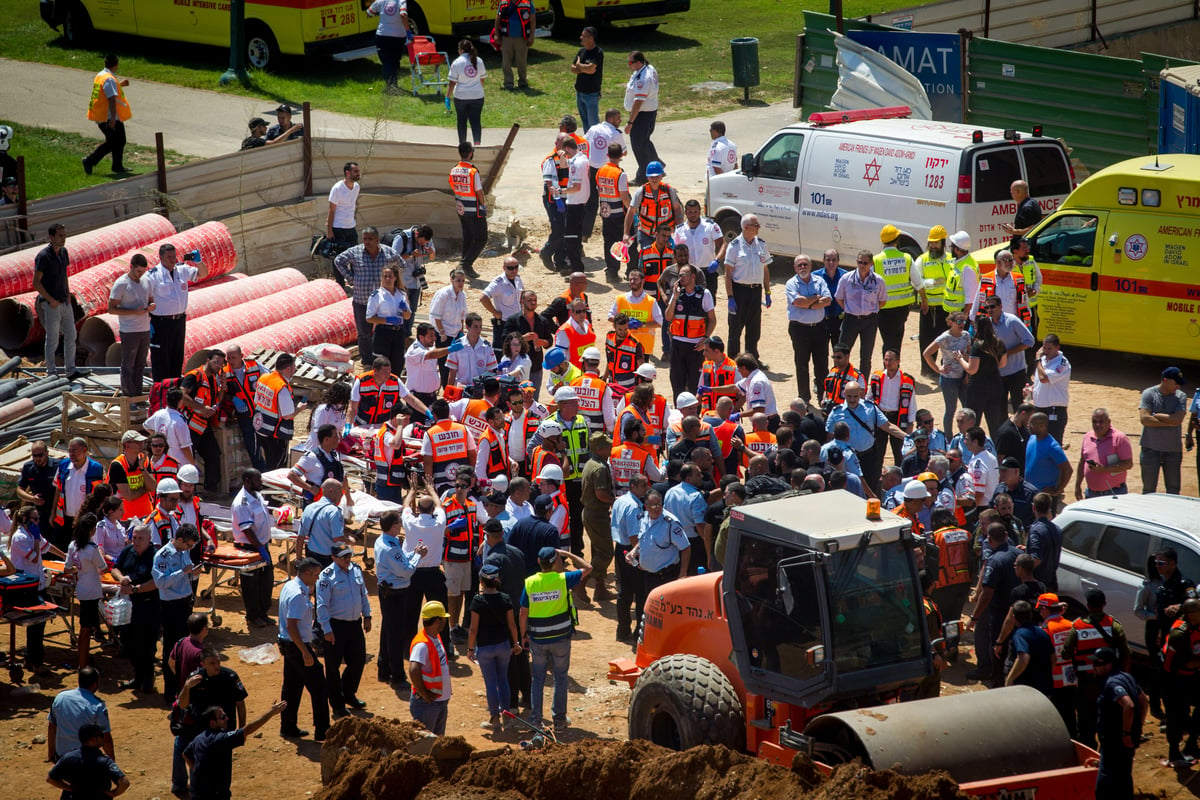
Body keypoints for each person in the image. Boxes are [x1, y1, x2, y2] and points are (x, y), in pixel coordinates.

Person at [520, 546, 592, 730]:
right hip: (561, 637)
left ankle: (536, 719)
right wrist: (567, 553)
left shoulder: (530, 582)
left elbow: (523, 612)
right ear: (555, 562)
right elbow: (588, 567)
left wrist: (523, 635)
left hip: (538, 637)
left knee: (538, 679)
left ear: (538, 562)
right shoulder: (563, 579)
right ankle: (559, 719)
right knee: (560, 677)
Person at [1061, 588, 1131, 750]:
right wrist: (1125, 678)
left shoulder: (1076, 627)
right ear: (1104, 604)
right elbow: (1126, 654)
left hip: (1086, 683)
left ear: (1088, 605)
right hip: (1109, 681)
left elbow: (1066, 654)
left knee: (1086, 721)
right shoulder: (1113, 625)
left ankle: (1089, 752)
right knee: (1108, 719)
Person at [183, 699, 285, 800]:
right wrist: (270, 712)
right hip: (215, 794)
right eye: (222, 717)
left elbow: (185, 754)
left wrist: (197, 772)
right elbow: (247, 730)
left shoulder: (199, 738)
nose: (227, 718)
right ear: (212, 723)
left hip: (198, 792)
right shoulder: (219, 739)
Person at [334, 225, 404, 366]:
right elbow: (338, 261)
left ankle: (382, 358)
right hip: (362, 300)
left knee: (383, 330)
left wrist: (395, 282)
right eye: (365, 238)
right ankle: (367, 361)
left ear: (377, 239)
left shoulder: (388, 253)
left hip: (383, 301)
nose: (367, 241)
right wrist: (351, 278)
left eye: (371, 238)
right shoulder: (355, 252)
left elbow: (402, 264)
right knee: (364, 333)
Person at [316, 544, 372, 718]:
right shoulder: (326, 577)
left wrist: (367, 615)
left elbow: (363, 595)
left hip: (354, 624)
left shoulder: (355, 570)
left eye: (348, 555)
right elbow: (322, 605)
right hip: (335, 626)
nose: (347, 559)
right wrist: (326, 629)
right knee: (332, 667)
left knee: (358, 660)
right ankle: (337, 703)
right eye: (343, 557)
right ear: (333, 558)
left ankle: (348, 693)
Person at [278, 557, 330, 741]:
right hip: (296, 646)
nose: (317, 578)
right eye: (315, 575)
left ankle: (288, 726)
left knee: (292, 688)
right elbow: (292, 626)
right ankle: (323, 731)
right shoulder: (299, 594)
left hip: (289, 644)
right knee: (319, 686)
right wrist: (305, 651)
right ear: (306, 573)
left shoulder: (290, 586)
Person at [374, 511, 426, 691]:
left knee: (388, 631)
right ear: (394, 526)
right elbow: (406, 571)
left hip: (389, 592)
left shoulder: (384, 541)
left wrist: (413, 554)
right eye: (399, 522)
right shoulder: (391, 547)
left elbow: (402, 562)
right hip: (395, 594)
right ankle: (396, 675)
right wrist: (418, 556)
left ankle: (384, 669)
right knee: (395, 636)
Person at [467, 563, 521, 730]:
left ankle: (494, 719)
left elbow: (473, 629)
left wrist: (470, 649)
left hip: (485, 648)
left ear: (482, 581)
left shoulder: (478, 601)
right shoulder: (505, 599)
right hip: (503, 646)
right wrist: (516, 643)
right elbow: (512, 625)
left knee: (491, 683)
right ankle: (507, 717)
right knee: (503, 680)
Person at [146, 242, 210, 381]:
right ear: (161, 257)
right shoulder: (153, 275)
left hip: (179, 321)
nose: (172, 259)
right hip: (161, 323)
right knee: (162, 360)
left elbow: (203, 274)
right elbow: (144, 294)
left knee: (177, 357)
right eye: (169, 256)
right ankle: (162, 392)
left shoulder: (182, 270)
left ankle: (174, 392)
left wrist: (198, 262)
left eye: (174, 256)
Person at [1088, 646, 1147, 798]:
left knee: (1104, 788)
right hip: (1123, 741)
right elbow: (1143, 700)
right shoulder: (1127, 677)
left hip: (1115, 741)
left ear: (1109, 664)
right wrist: (1137, 727)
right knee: (1124, 778)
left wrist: (1126, 733)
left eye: (1097, 664)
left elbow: (1129, 705)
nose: (1094, 667)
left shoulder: (1111, 683)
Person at [111, 524, 159, 692]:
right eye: (134, 538)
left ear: (149, 539)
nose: (136, 542)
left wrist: (136, 588)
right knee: (130, 643)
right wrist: (121, 578)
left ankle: (147, 678)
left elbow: (157, 582)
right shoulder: (128, 551)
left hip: (149, 606)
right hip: (129, 605)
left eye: (140, 539)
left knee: (147, 645)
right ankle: (138, 677)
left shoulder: (155, 556)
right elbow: (115, 568)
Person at [33, 223, 81, 379]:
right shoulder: (44, 256)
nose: (63, 239)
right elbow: (36, 282)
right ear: (51, 237)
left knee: (71, 334)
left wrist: (67, 294)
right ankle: (51, 371)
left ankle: (70, 370)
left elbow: (64, 274)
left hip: (64, 301)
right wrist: (50, 300)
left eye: (64, 235)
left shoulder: (63, 253)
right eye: (60, 236)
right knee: (53, 338)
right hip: (51, 303)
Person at [783, 254, 831, 403]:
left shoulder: (820, 281)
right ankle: (804, 397)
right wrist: (816, 299)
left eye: (805, 264)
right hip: (799, 329)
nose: (803, 267)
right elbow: (797, 301)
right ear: (795, 268)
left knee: (822, 364)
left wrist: (807, 303)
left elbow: (828, 300)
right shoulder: (791, 283)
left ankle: (823, 397)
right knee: (802, 364)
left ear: (810, 266)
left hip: (820, 328)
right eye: (800, 265)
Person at [723, 214, 772, 362]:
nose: (759, 228)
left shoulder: (761, 245)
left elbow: (765, 270)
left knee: (754, 329)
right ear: (746, 227)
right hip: (739, 291)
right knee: (735, 329)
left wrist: (768, 292)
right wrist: (731, 297)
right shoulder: (734, 246)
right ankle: (733, 361)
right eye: (756, 225)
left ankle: (752, 360)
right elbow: (728, 274)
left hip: (755, 291)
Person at [230, 469, 274, 628]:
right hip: (249, 548)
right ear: (247, 480)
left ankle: (263, 613)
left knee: (266, 582)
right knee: (250, 585)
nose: (260, 482)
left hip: (262, 545)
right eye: (257, 480)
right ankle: (253, 616)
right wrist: (260, 549)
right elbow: (247, 530)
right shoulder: (241, 502)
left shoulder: (257, 495)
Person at [664, 264, 716, 396]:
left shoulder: (704, 294)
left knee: (695, 383)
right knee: (677, 382)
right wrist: (675, 297)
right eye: (679, 275)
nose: (681, 278)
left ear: (693, 277)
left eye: (684, 275)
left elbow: (712, 320)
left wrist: (705, 339)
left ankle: (695, 413)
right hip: (677, 344)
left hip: (696, 345)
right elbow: (668, 316)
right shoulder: (677, 293)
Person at [835, 250, 889, 377]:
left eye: (865, 263)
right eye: (860, 262)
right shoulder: (846, 279)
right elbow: (839, 298)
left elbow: (882, 301)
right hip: (851, 319)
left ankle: (862, 385)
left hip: (870, 321)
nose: (862, 265)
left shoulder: (878, 281)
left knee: (866, 356)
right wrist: (850, 309)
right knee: (842, 352)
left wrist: (869, 310)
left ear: (871, 264)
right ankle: (839, 379)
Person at [107, 252, 154, 397]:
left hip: (144, 328)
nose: (140, 274)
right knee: (128, 365)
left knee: (140, 365)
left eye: (143, 272)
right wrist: (134, 311)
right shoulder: (121, 283)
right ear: (131, 267)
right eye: (138, 271)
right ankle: (128, 396)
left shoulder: (146, 281)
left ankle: (137, 395)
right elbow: (111, 308)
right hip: (129, 330)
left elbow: (150, 299)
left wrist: (151, 306)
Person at [66, 514, 108, 669]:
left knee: (86, 628)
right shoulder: (92, 549)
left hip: (82, 589)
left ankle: (83, 661)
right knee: (86, 629)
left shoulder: (73, 545)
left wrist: (80, 568)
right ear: (91, 530)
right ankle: (83, 663)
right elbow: (103, 567)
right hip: (91, 591)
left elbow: (67, 568)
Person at [1161, 598, 1200, 767]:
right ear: (1191, 615)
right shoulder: (1180, 634)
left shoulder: (1194, 625)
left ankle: (1192, 742)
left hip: (1192, 676)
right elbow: (1189, 663)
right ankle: (1174, 754)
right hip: (1175, 679)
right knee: (1175, 716)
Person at [180, 349, 225, 494]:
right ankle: (189, 491)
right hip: (189, 425)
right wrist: (201, 408)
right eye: (216, 362)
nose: (218, 366)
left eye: (221, 364)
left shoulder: (213, 379)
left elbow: (216, 400)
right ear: (208, 360)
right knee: (189, 459)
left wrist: (223, 388)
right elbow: (181, 395)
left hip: (204, 425)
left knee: (213, 454)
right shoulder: (195, 376)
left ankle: (211, 489)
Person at [47, 667, 114, 763]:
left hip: (62, 757)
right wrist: (112, 763)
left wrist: (51, 753)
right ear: (95, 683)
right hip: (84, 761)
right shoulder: (97, 705)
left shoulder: (61, 697)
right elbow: (106, 738)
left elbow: (52, 726)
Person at [46, 722, 129, 799]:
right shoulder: (104, 761)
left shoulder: (68, 757)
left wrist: (71, 789)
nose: (104, 737)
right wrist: (113, 794)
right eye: (101, 735)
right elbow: (124, 783)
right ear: (93, 740)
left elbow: (51, 779)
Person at [958, 313, 1009, 437]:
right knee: (994, 423)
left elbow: (972, 369)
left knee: (973, 423)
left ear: (976, 328)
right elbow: (1002, 364)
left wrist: (960, 359)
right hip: (995, 386)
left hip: (977, 388)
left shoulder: (977, 346)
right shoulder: (999, 343)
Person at [1139, 366, 1188, 494]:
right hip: (1150, 449)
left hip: (1172, 451)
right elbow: (1144, 419)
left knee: (1173, 490)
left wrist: (1157, 415)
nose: (1178, 387)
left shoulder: (1181, 396)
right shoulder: (1149, 393)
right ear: (1165, 380)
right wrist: (1170, 422)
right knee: (1148, 490)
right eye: (1176, 383)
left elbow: (1177, 420)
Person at [252, 353, 305, 470]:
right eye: (294, 367)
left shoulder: (264, 378)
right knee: (277, 467)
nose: (294, 370)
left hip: (260, 428)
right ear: (288, 368)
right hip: (275, 434)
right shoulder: (281, 387)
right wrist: (300, 408)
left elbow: (257, 400)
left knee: (265, 461)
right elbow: (287, 415)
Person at [51, 438, 105, 550]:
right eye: (69, 451)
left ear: (84, 450)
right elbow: (58, 490)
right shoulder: (63, 466)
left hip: (84, 519)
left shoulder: (96, 469)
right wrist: (53, 514)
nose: (71, 454)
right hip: (64, 519)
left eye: (74, 450)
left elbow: (101, 496)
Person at [82, 54, 131, 175]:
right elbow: (111, 98)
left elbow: (107, 90)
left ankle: (117, 166)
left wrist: (120, 84)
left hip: (102, 116)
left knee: (118, 141)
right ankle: (89, 161)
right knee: (114, 142)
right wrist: (113, 118)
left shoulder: (101, 75)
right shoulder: (109, 79)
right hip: (108, 117)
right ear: (116, 65)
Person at [409, 601, 453, 734]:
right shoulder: (422, 644)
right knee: (425, 745)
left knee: (438, 744)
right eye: (444, 618)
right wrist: (424, 693)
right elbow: (413, 669)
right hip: (428, 704)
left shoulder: (434, 637)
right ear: (438, 621)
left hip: (438, 701)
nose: (445, 621)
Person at [912, 226, 951, 377]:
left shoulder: (949, 258)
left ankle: (944, 368)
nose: (933, 246)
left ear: (942, 242)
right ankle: (928, 370)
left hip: (946, 306)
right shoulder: (922, 259)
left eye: (936, 243)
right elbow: (916, 281)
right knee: (927, 338)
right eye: (931, 243)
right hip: (927, 306)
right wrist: (933, 282)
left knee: (946, 338)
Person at [874, 226, 916, 359]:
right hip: (903, 307)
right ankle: (893, 367)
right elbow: (918, 282)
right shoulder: (907, 258)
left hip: (883, 307)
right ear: (897, 240)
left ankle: (889, 368)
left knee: (888, 340)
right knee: (897, 338)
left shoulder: (876, 260)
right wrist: (924, 300)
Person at [1073, 407, 1133, 500]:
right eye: (1094, 421)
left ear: (1109, 422)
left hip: (1114, 493)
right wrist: (1077, 486)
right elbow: (1082, 462)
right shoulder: (1087, 437)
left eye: (1101, 422)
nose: (1097, 425)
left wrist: (1104, 469)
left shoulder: (1119, 438)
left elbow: (1128, 464)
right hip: (1091, 493)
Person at [363, 264, 412, 370]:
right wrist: (387, 320)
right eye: (385, 276)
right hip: (383, 333)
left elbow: (407, 317)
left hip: (398, 333)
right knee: (381, 366)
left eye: (390, 276)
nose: (387, 279)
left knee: (397, 363)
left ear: (395, 278)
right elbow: (369, 317)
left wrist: (405, 310)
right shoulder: (376, 295)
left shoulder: (402, 294)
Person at [622, 51, 660, 184]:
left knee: (639, 145)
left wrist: (630, 122)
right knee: (644, 142)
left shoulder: (643, 79)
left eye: (631, 63)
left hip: (642, 115)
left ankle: (643, 176)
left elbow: (638, 103)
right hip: (647, 113)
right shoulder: (648, 69)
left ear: (639, 63)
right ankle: (657, 167)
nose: (629, 65)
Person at [1003, 599, 1054, 696]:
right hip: (1044, 688)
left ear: (1014, 617)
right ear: (1031, 615)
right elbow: (1053, 658)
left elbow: (1023, 658)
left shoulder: (1019, 634)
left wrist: (1010, 679)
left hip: (1026, 689)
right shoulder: (1042, 632)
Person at [1024, 412, 1072, 503]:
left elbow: (1068, 470)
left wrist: (1057, 491)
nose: (1028, 426)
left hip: (1044, 497)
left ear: (1042, 426)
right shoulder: (1032, 438)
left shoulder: (1052, 447)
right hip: (1029, 492)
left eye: (1031, 424)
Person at [366, 0, 410, 94]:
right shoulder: (401, 1)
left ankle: (391, 86)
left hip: (383, 35)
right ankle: (393, 86)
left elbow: (369, 12)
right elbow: (403, 15)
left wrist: (379, 13)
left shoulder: (380, 1)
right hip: (398, 36)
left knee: (387, 61)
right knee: (395, 60)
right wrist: (409, 32)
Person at [448, 40, 487, 146]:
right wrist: (478, 88)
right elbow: (482, 78)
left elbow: (452, 82)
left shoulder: (457, 62)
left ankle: (463, 144)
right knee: (475, 121)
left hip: (461, 96)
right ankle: (477, 143)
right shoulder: (479, 61)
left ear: (460, 50)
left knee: (461, 121)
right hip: (477, 96)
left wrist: (447, 96)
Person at [494, 0, 534, 91]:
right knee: (506, 62)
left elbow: (532, 20)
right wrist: (496, 34)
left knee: (521, 61)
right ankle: (508, 83)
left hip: (522, 37)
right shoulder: (503, 3)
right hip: (506, 37)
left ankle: (523, 82)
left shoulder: (527, 3)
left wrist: (531, 36)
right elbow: (498, 19)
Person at [570, 27, 605, 130]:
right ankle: (588, 143)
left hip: (591, 94)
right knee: (585, 122)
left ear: (591, 38)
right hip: (580, 92)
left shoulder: (598, 52)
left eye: (584, 36)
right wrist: (583, 68)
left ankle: (597, 144)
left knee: (593, 123)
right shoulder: (581, 51)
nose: (581, 38)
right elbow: (572, 69)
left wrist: (579, 66)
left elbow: (591, 68)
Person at [326, 161, 361, 252]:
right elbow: (331, 210)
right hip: (339, 228)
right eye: (356, 171)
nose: (358, 174)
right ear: (347, 173)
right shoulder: (337, 188)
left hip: (351, 227)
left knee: (354, 256)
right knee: (339, 257)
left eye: (358, 171)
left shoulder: (357, 187)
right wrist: (329, 231)